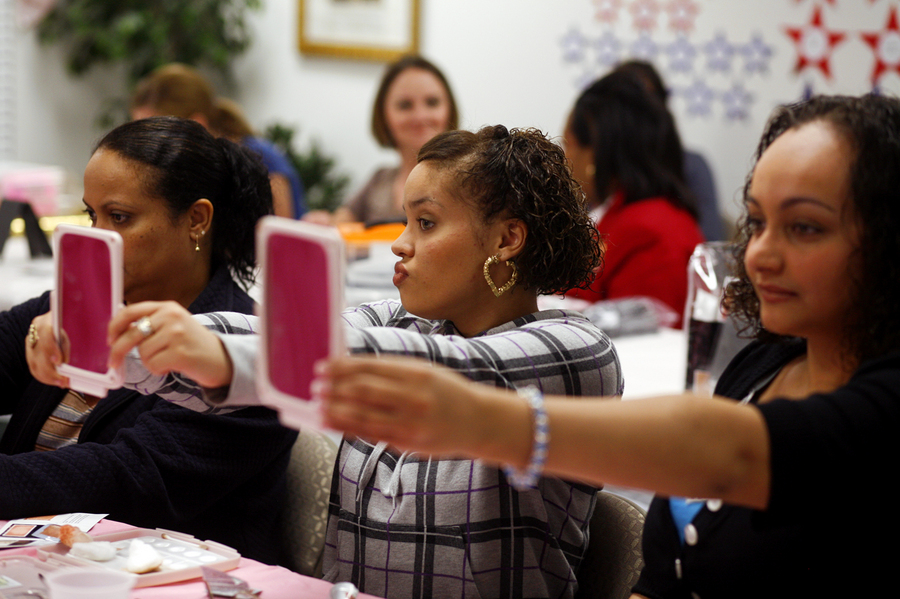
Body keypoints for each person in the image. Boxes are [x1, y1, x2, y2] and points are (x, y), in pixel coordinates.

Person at [314, 94, 900, 597]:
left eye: (804, 227)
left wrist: (483, 421)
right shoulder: (757, 370)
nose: (758, 254)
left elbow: (730, 455)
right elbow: (664, 577)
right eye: (757, 222)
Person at [106, 125, 623, 598]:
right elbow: (269, 334)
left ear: (506, 239)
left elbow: (457, 368)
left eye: (425, 222)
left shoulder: (576, 352)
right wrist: (117, 345)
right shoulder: (398, 321)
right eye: (406, 221)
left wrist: (220, 354)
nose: (400, 244)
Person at [8, 116, 297, 565]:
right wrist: (33, 334)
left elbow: (128, 477)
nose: (96, 236)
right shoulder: (88, 301)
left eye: (119, 217)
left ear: (197, 220)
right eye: (92, 214)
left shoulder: (246, 356)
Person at [563, 70, 704, 317]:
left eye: (567, 145)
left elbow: (642, 344)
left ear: (594, 150)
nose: (565, 161)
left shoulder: (649, 234)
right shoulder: (628, 216)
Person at [130, 63, 307, 219]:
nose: (144, 147)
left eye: (155, 136)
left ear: (197, 125)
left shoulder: (261, 161)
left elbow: (278, 246)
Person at [321, 55, 458, 226]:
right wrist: (324, 222)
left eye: (432, 102)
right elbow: (340, 223)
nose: (420, 116)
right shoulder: (379, 180)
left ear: (450, 109)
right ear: (384, 116)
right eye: (405, 105)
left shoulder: (465, 181)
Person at [614, 59, 725, 241]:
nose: (638, 116)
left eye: (646, 102)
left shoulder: (693, 166)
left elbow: (709, 242)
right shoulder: (603, 170)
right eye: (627, 106)